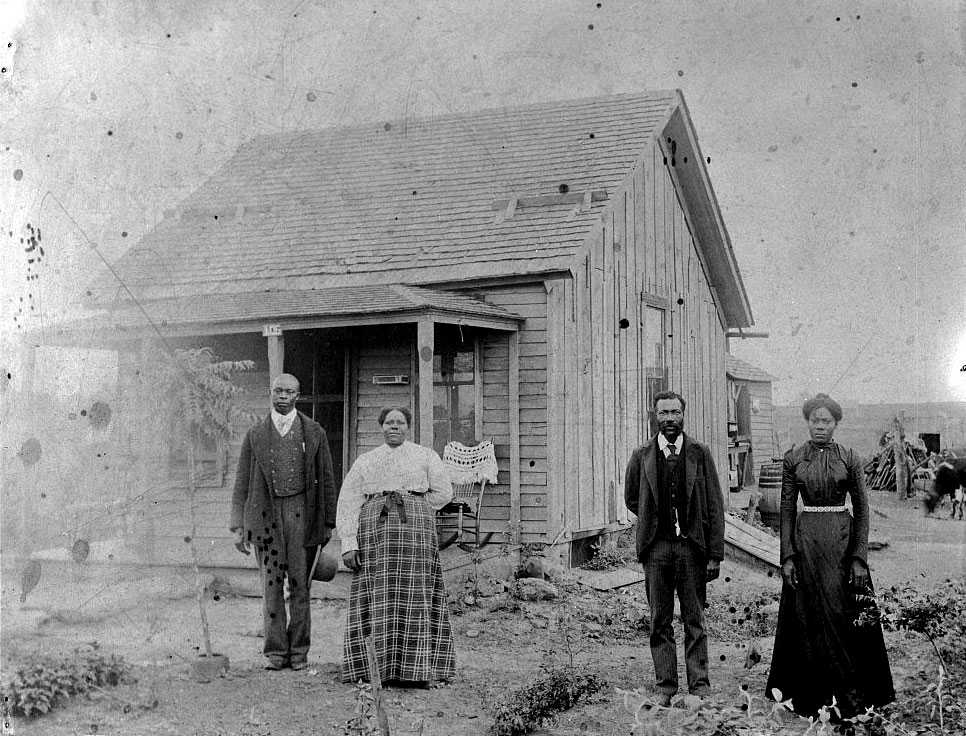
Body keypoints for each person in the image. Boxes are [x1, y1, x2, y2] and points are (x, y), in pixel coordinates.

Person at [766, 393, 894, 717]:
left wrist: (859, 557)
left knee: (842, 612)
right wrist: (788, 556)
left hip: (841, 540)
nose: (820, 426)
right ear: (807, 421)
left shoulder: (849, 457)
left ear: (836, 423)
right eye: (814, 420)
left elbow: (863, 509)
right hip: (806, 541)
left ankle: (852, 694)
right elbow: (785, 509)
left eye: (826, 421)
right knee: (807, 614)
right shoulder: (794, 457)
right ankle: (811, 697)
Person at [336, 407, 456, 686]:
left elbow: (444, 492)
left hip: (415, 534)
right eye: (389, 422)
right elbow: (349, 501)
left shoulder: (425, 455)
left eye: (400, 422)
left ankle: (418, 671)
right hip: (375, 535)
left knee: (416, 593)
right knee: (376, 594)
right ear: (381, 427)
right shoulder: (367, 460)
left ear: (408, 427)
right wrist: (349, 543)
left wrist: (417, 506)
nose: (394, 427)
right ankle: (371, 669)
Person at [229, 373, 338, 670]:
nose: (282, 397)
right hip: (266, 516)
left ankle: (299, 652)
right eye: (278, 391)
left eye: (289, 392)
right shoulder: (255, 435)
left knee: (301, 585)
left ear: (297, 396)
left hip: (302, 514)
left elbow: (327, 478)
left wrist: (328, 521)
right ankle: (275, 652)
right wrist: (238, 525)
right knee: (272, 585)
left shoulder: (313, 432)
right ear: (270, 393)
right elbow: (241, 482)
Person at [624, 391, 725, 706]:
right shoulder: (642, 455)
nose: (669, 419)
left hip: (691, 550)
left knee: (694, 618)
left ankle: (699, 685)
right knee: (660, 619)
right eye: (663, 413)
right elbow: (632, 498)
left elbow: (714, 506)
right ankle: (666, 685)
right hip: (656, 551)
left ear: (684, 414)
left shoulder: (700, 453)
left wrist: (714, 554)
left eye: (675, 412)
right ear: (653, 415)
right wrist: (655, 524)